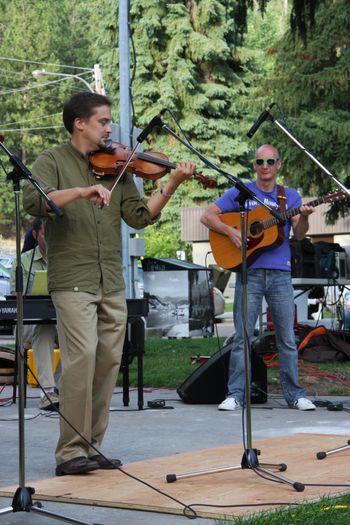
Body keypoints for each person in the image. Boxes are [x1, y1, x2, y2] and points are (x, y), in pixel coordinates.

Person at [23, 91, 196, 476]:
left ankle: (91, 445)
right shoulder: (52, 160)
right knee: (81, 358)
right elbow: (35, 201)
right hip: (74, 279)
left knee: (107, 363)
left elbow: (139, 217)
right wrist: (82, 191)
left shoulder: (118, 167)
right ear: (79, 123)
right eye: (103, 121)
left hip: (111, 280)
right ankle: (69, 452)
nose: (109, 129)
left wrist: (173, 184)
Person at [201, 144, 317, 411]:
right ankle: (235, 394)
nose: (265, 166)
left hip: (280, 273)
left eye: (270, 161)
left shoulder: (290, 197)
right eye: (260, 161)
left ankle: (295, 395)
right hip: (248, 272)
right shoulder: (241, 192)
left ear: (279, 165)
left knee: (287, 337)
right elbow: (208, 216)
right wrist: (230, 233)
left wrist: (305, 218)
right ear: (254, 165)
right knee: (242, 336)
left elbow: (298, 235)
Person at [10, 218, 59, 410]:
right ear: (35, 235)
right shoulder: (22, 261)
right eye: (46, 234)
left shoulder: (66, 261)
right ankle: (47, 392)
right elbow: (15, 298)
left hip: (61, 320)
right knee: (45, 328)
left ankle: (59, 387)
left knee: (85, 336)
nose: (51, 239)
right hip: (29, 325)